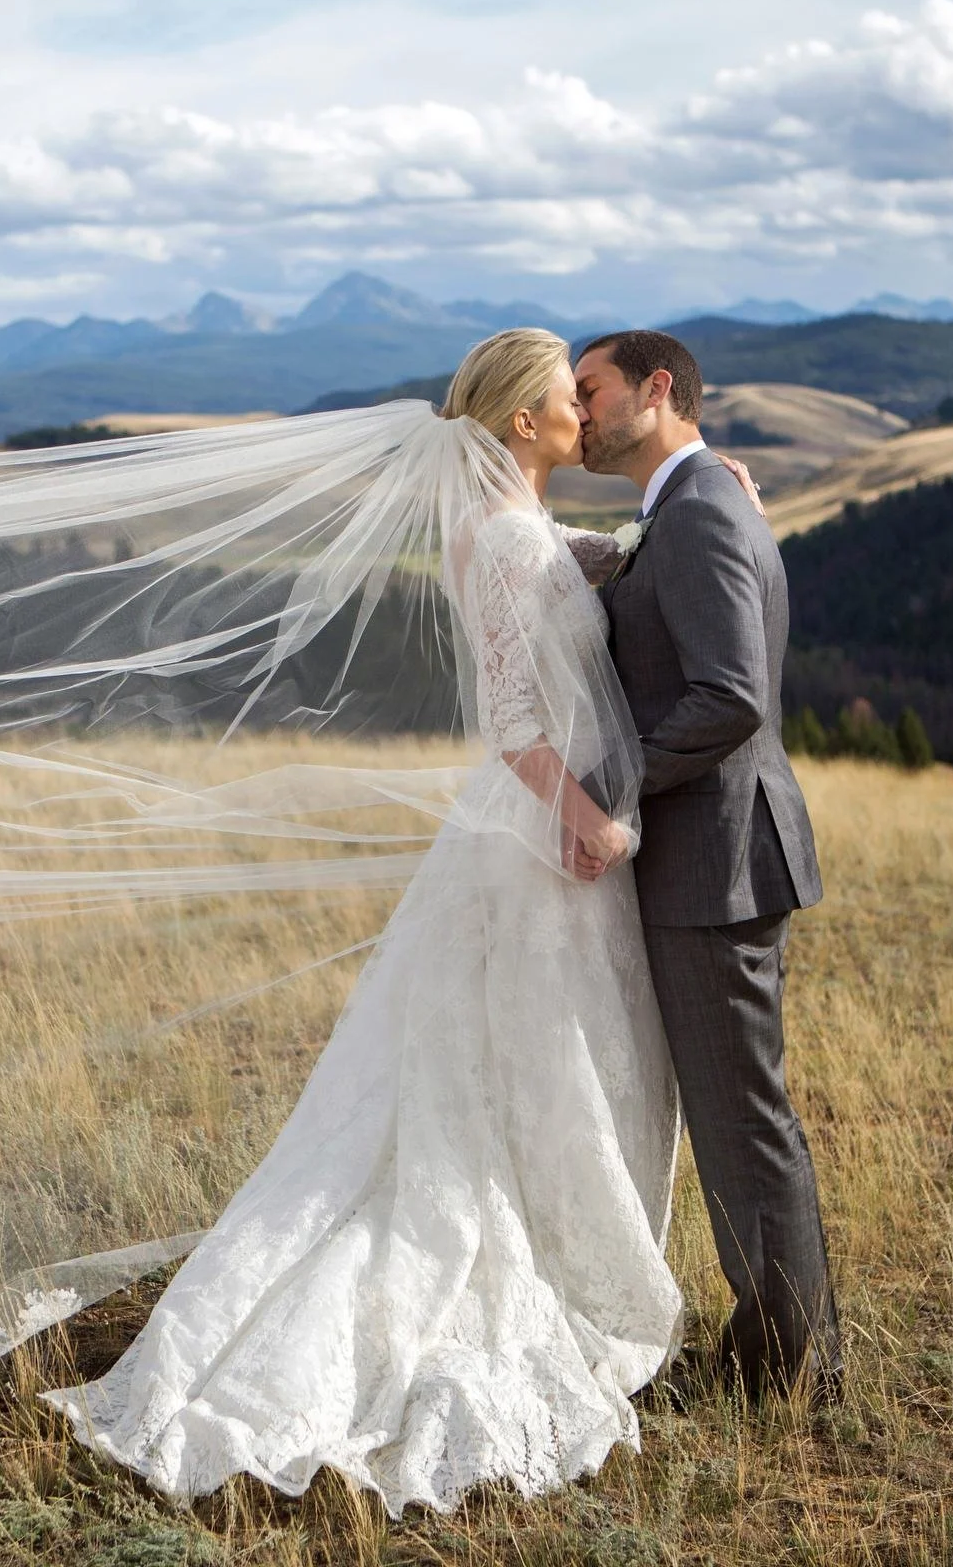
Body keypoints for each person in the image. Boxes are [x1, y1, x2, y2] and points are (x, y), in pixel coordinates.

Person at [42, 330, 686, 1516]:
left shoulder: (523, 530)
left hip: (534, 844)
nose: (580, 416)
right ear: (517, 426)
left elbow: (570, 566)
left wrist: (654, 534)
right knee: (507, 1088)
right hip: (534, 844)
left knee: (522, 1078)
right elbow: (513, 723)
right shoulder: (498, 535)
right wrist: (585, 822)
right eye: (563, 399)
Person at [572, 329, 841, 1406]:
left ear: (658, 388)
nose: (580, 411)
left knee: (743, 1120)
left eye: (591, 392)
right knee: (739, 1117)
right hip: (707, 857)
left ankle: (788, 1373)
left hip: (716, 863)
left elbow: (732, 696)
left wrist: (608, 784)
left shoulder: (700, 511)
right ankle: (782, 1348)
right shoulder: (685, 504)